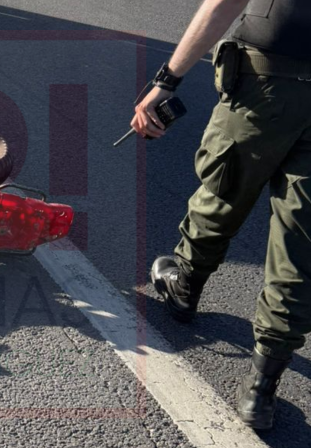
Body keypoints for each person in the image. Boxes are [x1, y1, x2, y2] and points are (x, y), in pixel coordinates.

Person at [132, 0, 311, 430]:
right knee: (302, 242)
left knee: (224, 189)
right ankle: (261, 387)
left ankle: (185, 289)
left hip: (269, 80)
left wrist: (166, 80)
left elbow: (223, 3)